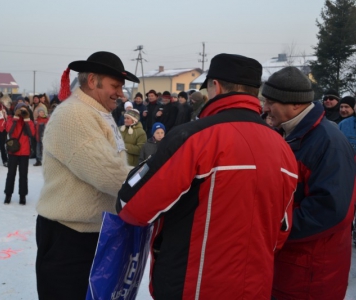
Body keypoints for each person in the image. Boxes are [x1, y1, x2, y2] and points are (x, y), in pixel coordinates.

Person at [116, 53, 298, 299]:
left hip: (194, 284)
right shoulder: (282, 147)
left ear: (216, 86)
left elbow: (131, 206)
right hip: (255, 285)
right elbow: (281, 232)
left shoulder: (194, 137)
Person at [35, 51, 138, 300]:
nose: (121, 94)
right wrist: (155, 181)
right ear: (92, 81)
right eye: (115, 86)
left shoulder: (95, 112)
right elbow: (108, 174)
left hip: (92, 234)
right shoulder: (75, 115)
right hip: (69, 237)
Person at [262, 66, 356, 300]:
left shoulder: (326, 142)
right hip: (289, 265)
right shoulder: (289, 133)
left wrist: (271, 231)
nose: (264, 108)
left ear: (294, 104)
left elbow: (330, 210)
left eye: (270, 102)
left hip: (309, 272)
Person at [4, 102, 35, 205]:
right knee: (11, 174)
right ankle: (8, 194)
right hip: (13, 151)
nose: (22, 112)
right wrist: (15, 118)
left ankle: (22, 196)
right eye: (20, 110)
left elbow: (32, 133)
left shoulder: (28, 120)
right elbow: (9, 131)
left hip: (24, 152)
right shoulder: (11, 119)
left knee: (23, 175)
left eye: (23, 110)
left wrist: (27, 119)